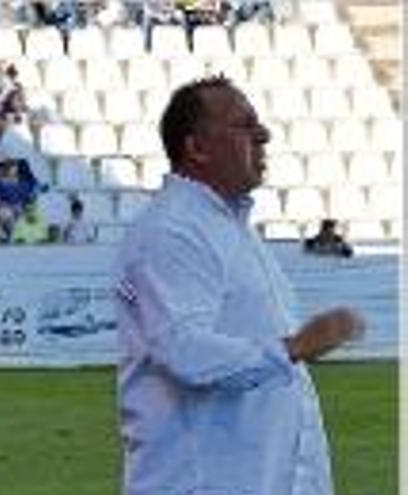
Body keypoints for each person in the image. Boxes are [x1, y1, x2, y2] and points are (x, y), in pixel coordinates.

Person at [113, 76, 366, 495]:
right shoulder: (172, 230)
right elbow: (184, 350)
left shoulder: (229, 229)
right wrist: (294, 347)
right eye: (245, 125)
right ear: (196, 148)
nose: (264, 135)